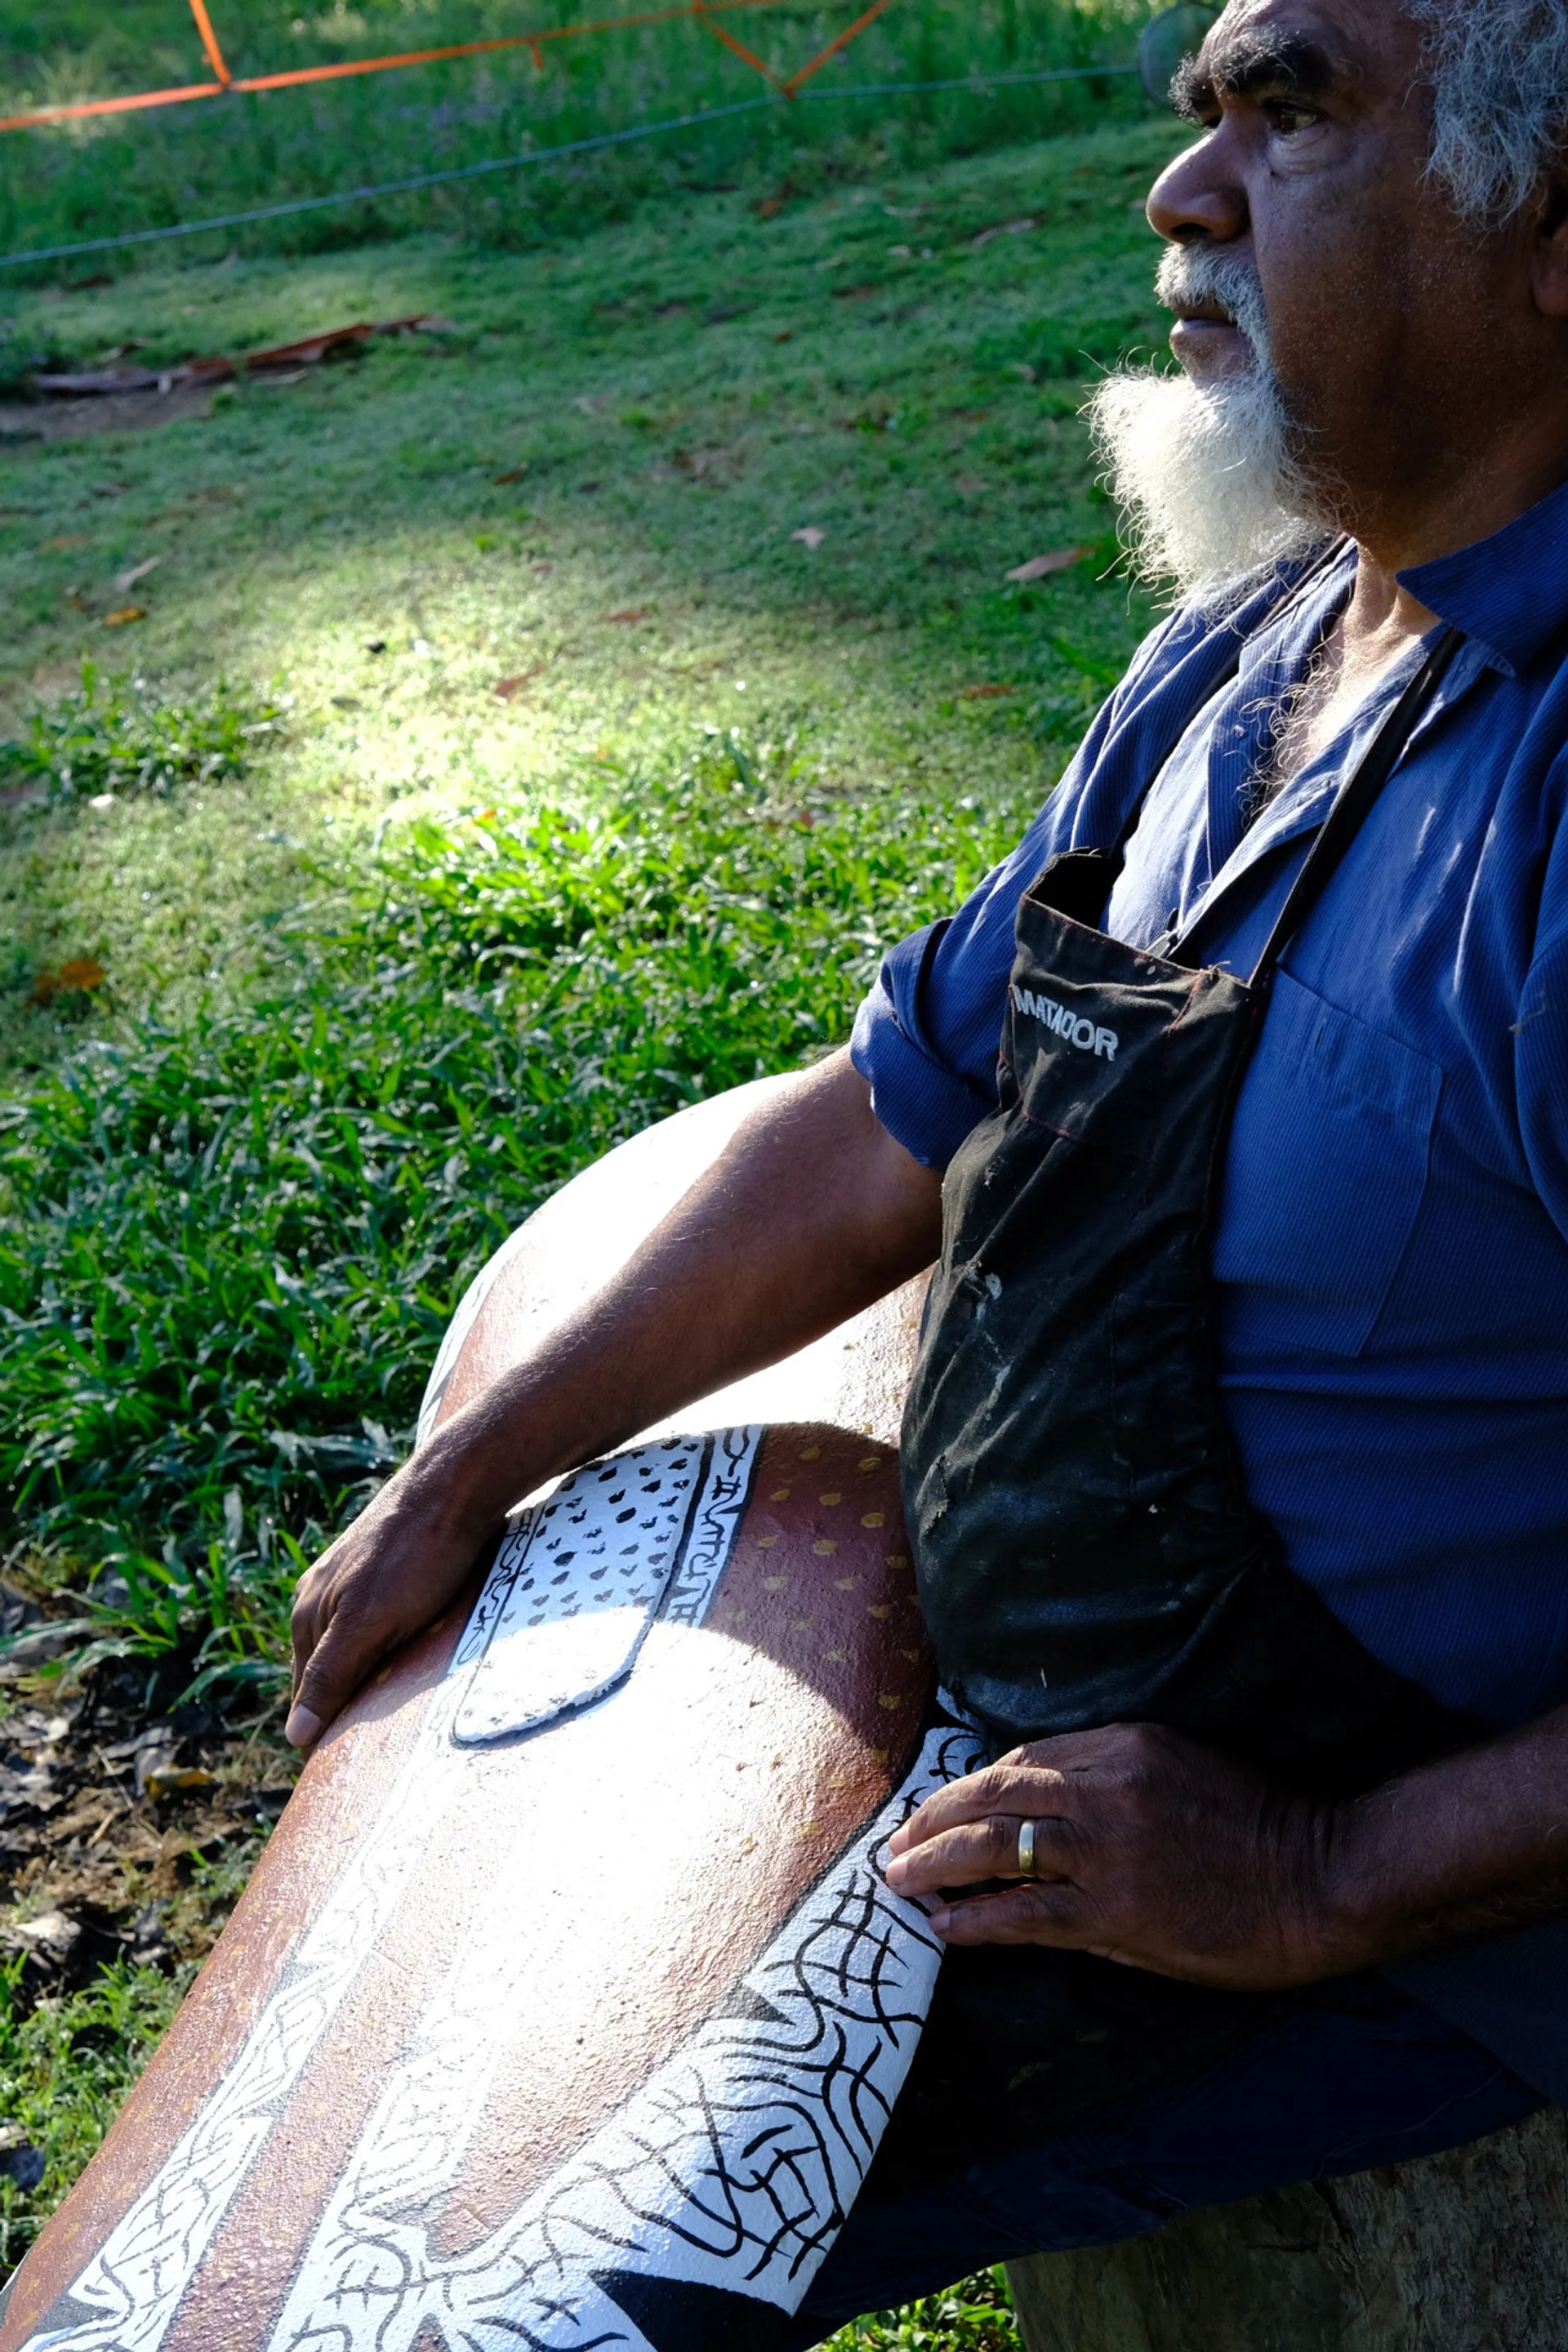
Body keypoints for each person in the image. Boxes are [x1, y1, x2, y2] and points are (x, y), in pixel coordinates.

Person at [287, 0, 1568, 2330]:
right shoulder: (1266, 644)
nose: (1182, 196)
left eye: (1287, 114)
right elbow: (892, 1116)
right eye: (1205, 113)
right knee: (367, 2128)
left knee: (488, 2285)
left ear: (1555, 224)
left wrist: (1327, 1867)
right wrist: (468, 1469)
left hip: (1396, 1912)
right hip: (1035, 1749)